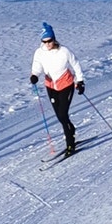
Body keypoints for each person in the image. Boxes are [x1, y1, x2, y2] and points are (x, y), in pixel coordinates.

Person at [30, 23, 84, 154]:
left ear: (54, 39)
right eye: (44, 41)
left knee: (62, 114)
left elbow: (75, 64)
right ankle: (71, 129)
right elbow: (37, 65)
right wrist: (35, 75)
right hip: (51, 86)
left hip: (66, 84)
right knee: (60, 117)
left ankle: (70, 143)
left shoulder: (64, 51)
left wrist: (80, 81)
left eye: (50, 41)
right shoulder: (39, 52)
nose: (47, 44)